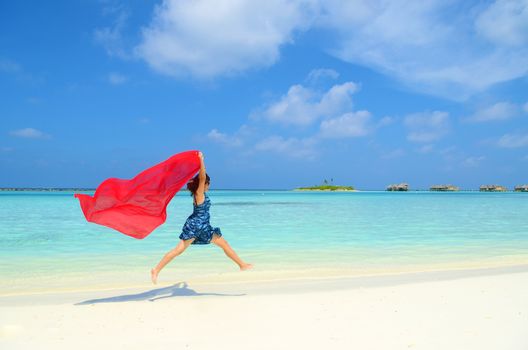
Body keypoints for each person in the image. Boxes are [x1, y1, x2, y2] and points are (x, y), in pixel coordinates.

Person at [151, 151, 252, 284]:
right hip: (195, 226)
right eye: (208, 183)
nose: (209, 186)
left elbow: (202, 180)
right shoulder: (199, 194)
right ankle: (156, 270)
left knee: (224, 244)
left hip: (205, 226)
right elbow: (202, 177)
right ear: (204, 184)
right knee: (178, 250)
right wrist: (201, 161)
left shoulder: (200, 194)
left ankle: (242, 265)